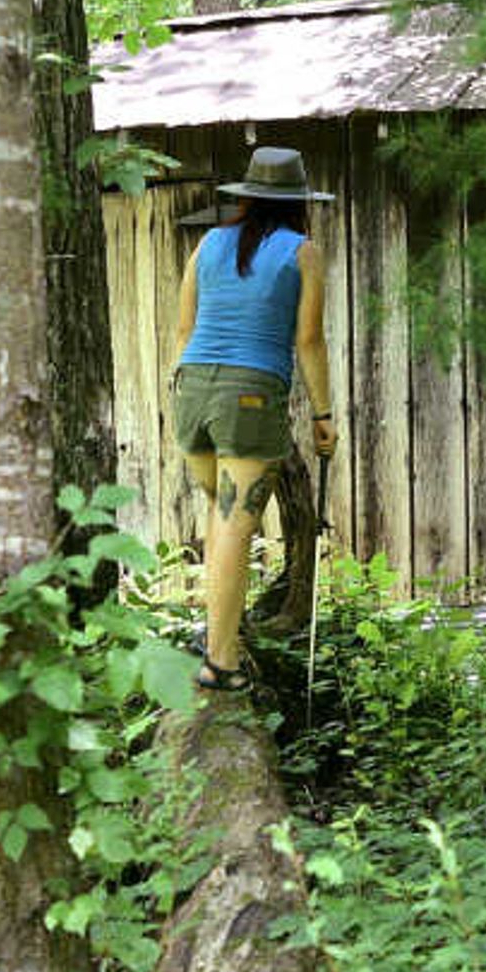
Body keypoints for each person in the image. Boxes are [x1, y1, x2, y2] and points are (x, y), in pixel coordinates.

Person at [169, 143, 338, 689]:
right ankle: (221, 663)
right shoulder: (302, 252)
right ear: (297, 202)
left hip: (192, 389)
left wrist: (187, 387)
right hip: (250, 394)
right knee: (236, 526)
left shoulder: (208, 244)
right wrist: (323, 413)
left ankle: (218, 635)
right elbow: (308, 340)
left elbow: (182, 331)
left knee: (221, 520)